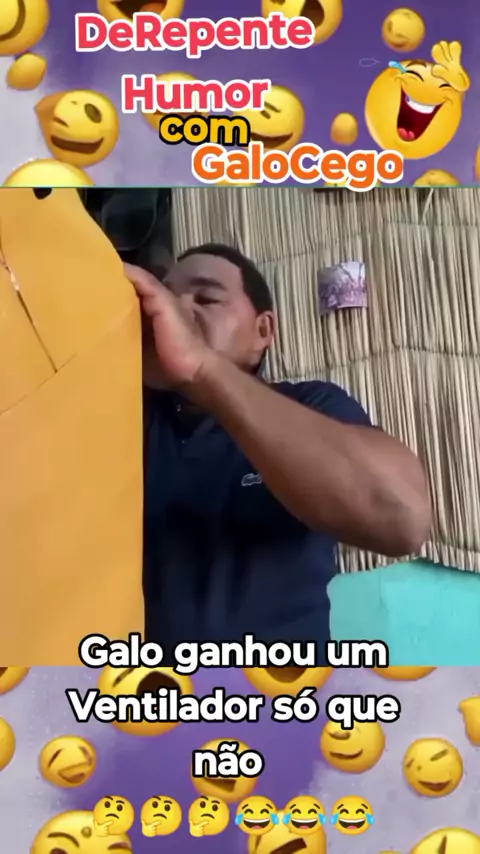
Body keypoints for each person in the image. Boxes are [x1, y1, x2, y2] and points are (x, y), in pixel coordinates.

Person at [125, 243, 431, 662]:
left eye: (206, 298)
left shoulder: (310, 406)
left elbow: (401, 518)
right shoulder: (129, 415)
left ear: (263, 331)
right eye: (166, 296)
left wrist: (200, 367)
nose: (174, 310)